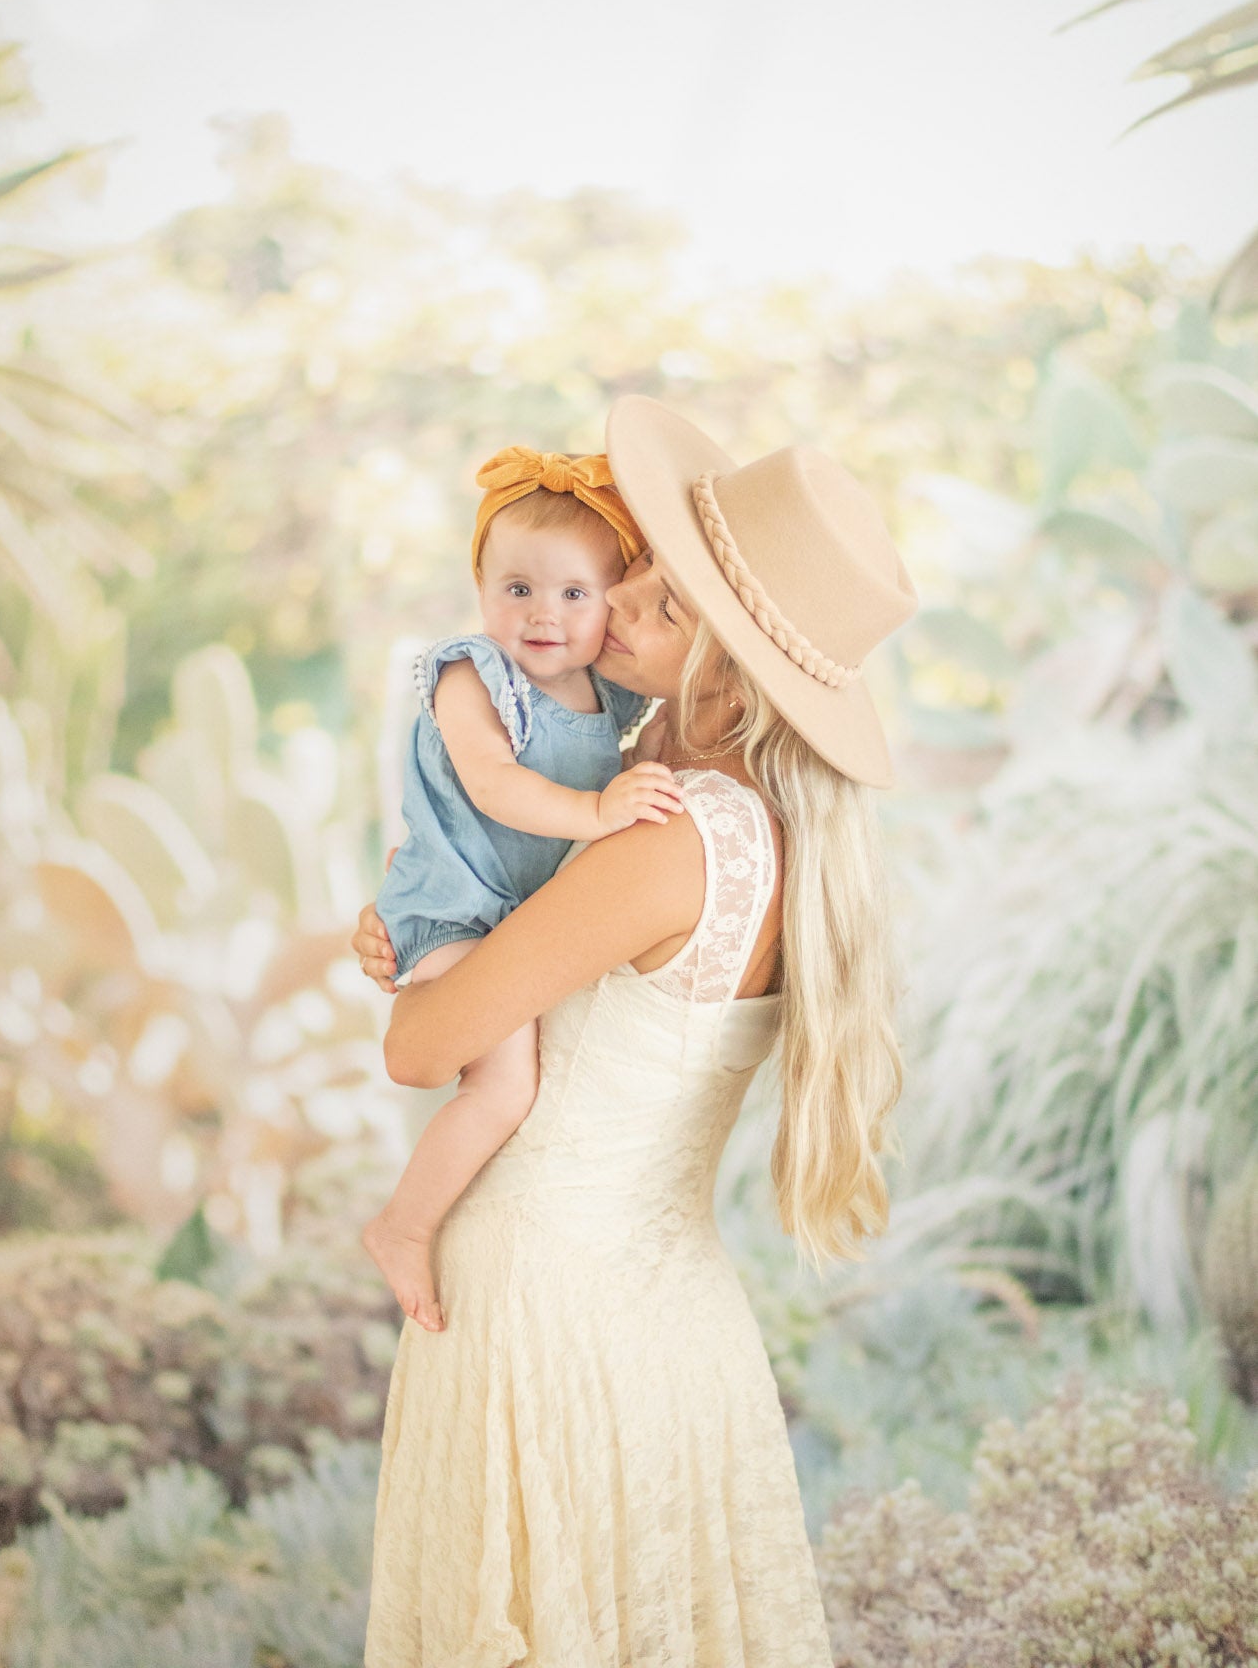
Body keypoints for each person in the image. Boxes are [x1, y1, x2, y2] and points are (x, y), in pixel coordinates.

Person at [352, 394, 918, 1667]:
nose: (612, 606)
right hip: (675, 1328)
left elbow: (420, 1050)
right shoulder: (754, 835)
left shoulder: (660, 838)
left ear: (723, 658)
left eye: (658, 599)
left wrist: (417, 953)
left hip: (542, 1320)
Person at [361, 446, 685, 1333]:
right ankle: (402, 1225)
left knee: (514, 1074)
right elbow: (495, 784)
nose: (543, 615)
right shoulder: (473, 674)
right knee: (501, 1087)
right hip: (455, 911)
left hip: (510, 916)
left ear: (609, 599)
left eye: (574, 594)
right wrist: (597, 809)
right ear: (479, 588)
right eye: (517, 589)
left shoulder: (609, 696)